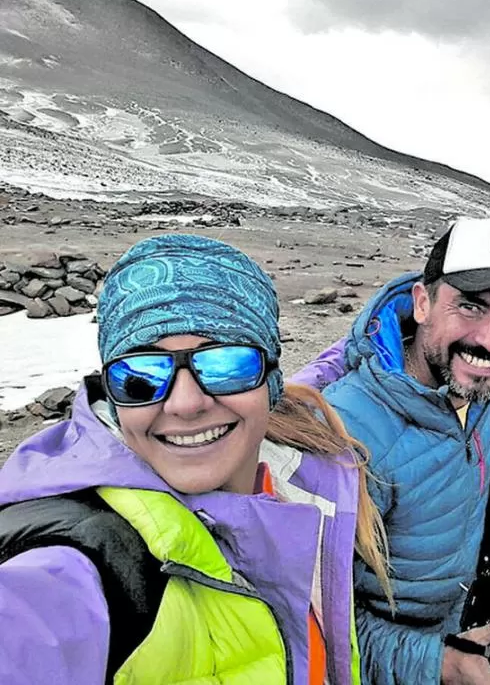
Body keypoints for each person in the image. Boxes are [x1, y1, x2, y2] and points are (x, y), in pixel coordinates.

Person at [0, 234, 392, 685]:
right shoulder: (82, 561)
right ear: (110, 393)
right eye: (142, 375)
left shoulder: (306, 485)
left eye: (227, 364)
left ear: (272, 381)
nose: (186, 403)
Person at [291, 215, 490, 685]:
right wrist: (441, 666)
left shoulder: (463, 389)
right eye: (470, 306)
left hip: (450, 625)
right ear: (422, 303)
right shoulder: (345, 439)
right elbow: (312, 620)